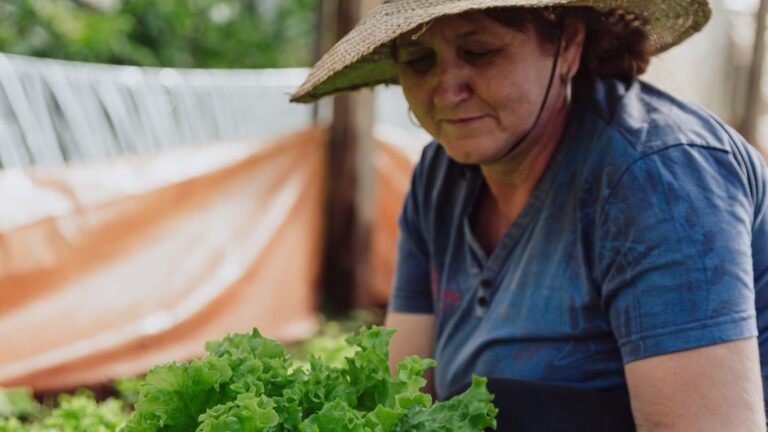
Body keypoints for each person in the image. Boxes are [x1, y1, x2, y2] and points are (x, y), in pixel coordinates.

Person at [291, 0, 768, 430]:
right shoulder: (440, 177)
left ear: (569, 45)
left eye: (480, 53)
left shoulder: (657, 176)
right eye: (418, 61)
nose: (447, 88)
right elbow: (405, 392)